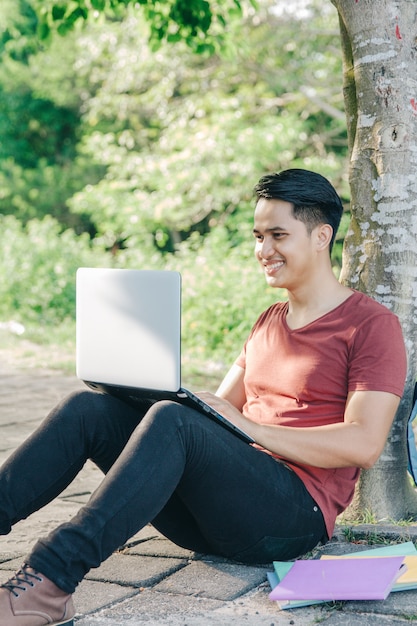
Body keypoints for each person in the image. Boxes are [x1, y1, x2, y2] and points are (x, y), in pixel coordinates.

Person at [0, 169, 407, 626]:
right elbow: (217, 411)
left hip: (292, 517)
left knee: (175, 421)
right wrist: (144, 394)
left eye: (278, 235)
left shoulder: (371, 326)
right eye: (258, 236)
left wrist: (249, 427)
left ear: (321, 236)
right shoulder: (269, 320)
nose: (263, 250)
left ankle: (49, 583)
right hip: (218, 510)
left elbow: (363, 443)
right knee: (87, 409)